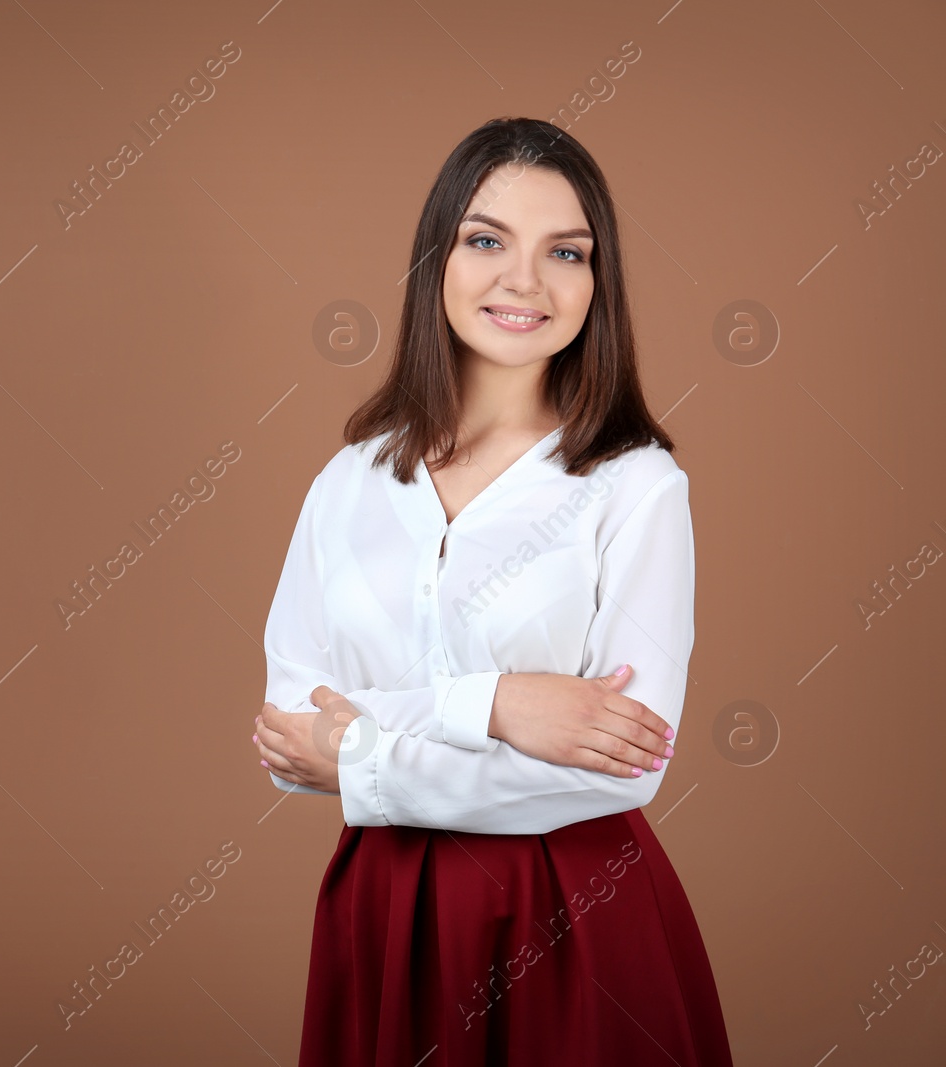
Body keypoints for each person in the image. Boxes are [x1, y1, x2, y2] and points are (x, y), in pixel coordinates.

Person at [250, 117, 733, 1064]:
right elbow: (283, 731)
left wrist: (363, 756)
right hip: (380, 915)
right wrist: (501, 704)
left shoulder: (635, 485)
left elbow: (622, 764)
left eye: (566, 251)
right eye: (486, 240)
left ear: (599, 285)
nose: (526, 281)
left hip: (568, 913)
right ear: (438, 258)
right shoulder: (349, 482)